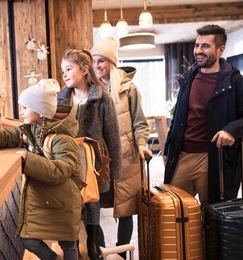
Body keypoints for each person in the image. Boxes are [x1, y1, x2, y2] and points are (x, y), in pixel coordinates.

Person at [0, 79, 83, 260]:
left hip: (63, 201)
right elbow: (12, 135)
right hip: (46, 198)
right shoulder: (33, 130)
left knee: (68, 242)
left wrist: (29, 160)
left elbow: (61, 170)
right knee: (29, 240)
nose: (22, 112)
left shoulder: (62, 139)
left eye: (25, 108)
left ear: (40, 111)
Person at [164, 24, 243, 206]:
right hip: (182, 155)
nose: (198, 50)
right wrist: (168, 148)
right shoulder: (188, 78)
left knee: (212, 217)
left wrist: (231, 130)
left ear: (220, 50)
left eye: (205, 46)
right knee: (173, 211)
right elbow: (178, 117)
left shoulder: (234, 81)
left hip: (213, 158)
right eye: (196, 45)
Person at [90, 37, 153, 259]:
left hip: (126, 158)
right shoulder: (89, 89)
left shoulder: (128, 88)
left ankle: (122, 252)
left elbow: (140, 122)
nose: (97, 66)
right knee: (91, 207)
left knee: (126, 209)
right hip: (98, 159)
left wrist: (142, 144)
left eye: (101, 61)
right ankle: (100, 252)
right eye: (94, 61)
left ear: (111, 62)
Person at [58, 49, 121, 259]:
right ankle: (73, 245)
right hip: (68, 161)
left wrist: (115, 173)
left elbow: (113, 138)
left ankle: (93, 243)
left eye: (69, 69)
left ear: (85, 70)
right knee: (71, 203)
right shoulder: (61, 100)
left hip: (94, 161)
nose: (64, 74)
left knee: (93, 201)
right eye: (63, 70)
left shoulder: (102, 99)